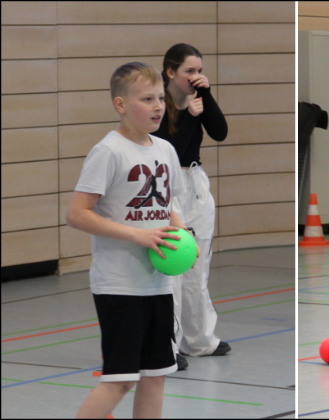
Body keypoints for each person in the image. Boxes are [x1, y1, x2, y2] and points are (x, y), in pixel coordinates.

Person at [69, 62, 192, 418]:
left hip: (158, 284)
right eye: (147, 99)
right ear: (121, 105)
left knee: (155, 376)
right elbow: (77, 213)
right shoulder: (108, 151)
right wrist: (138, 235)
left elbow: (167, 205)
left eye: (160, 98)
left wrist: (183, 233)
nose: (158, 106)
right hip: (119, 285)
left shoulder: (165, 150)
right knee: (121, 379)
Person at [153, 43, 230, 370]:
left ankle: (199, 340)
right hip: (168, 188)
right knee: (172, 269)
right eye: (189, 71)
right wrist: (187, 115)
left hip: (196, 185)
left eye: (199, 70)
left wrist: (206, 96)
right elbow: (168, 152)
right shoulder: (158, 103)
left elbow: (220, 132)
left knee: (198, 267)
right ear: (171, 72)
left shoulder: (198, 97)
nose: (195, 76)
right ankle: (167, 346)